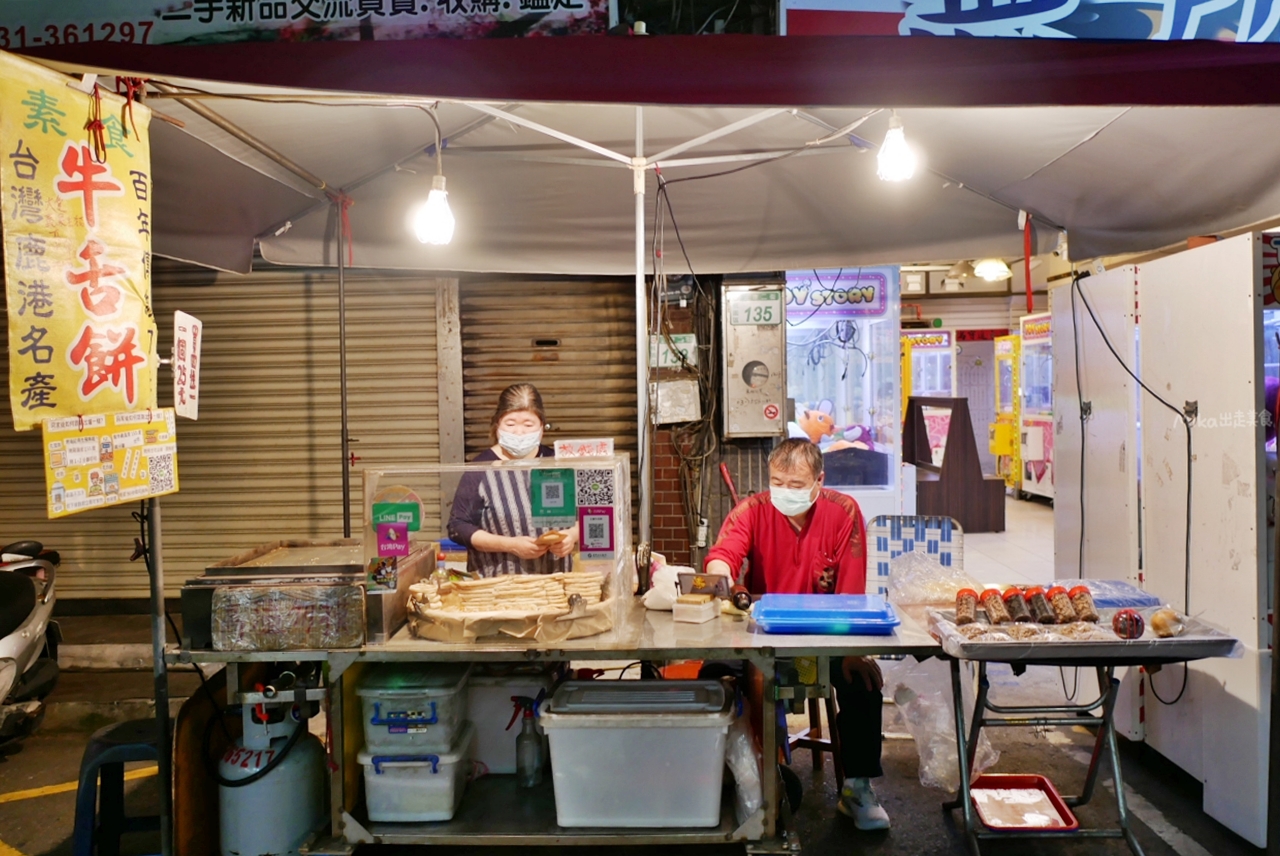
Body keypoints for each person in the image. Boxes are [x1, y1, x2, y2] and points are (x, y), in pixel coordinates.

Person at [704, 438, 889, 831]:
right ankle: (729, 777)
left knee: (864, 681)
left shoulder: (843, 513)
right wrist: (720, 572)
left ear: (819, 480)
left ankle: (857, 788)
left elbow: (852, 593)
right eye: (777, 482)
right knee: (712, 677)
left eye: (796, 484)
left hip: (826, 636)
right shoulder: (753, 509)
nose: (784, 492)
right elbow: (725, 551)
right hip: (762, 634)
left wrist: (854, 652)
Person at [447, 383, 578, 576]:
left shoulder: (558, 464)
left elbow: (592, 514)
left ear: (542, 427)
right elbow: (458, 527)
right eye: (510, 423)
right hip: (497, 588)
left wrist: (572, 536)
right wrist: (510, 545)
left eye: (528, 424)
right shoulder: (480, 469)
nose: (519, 432)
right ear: (497, 425)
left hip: (555, 585)